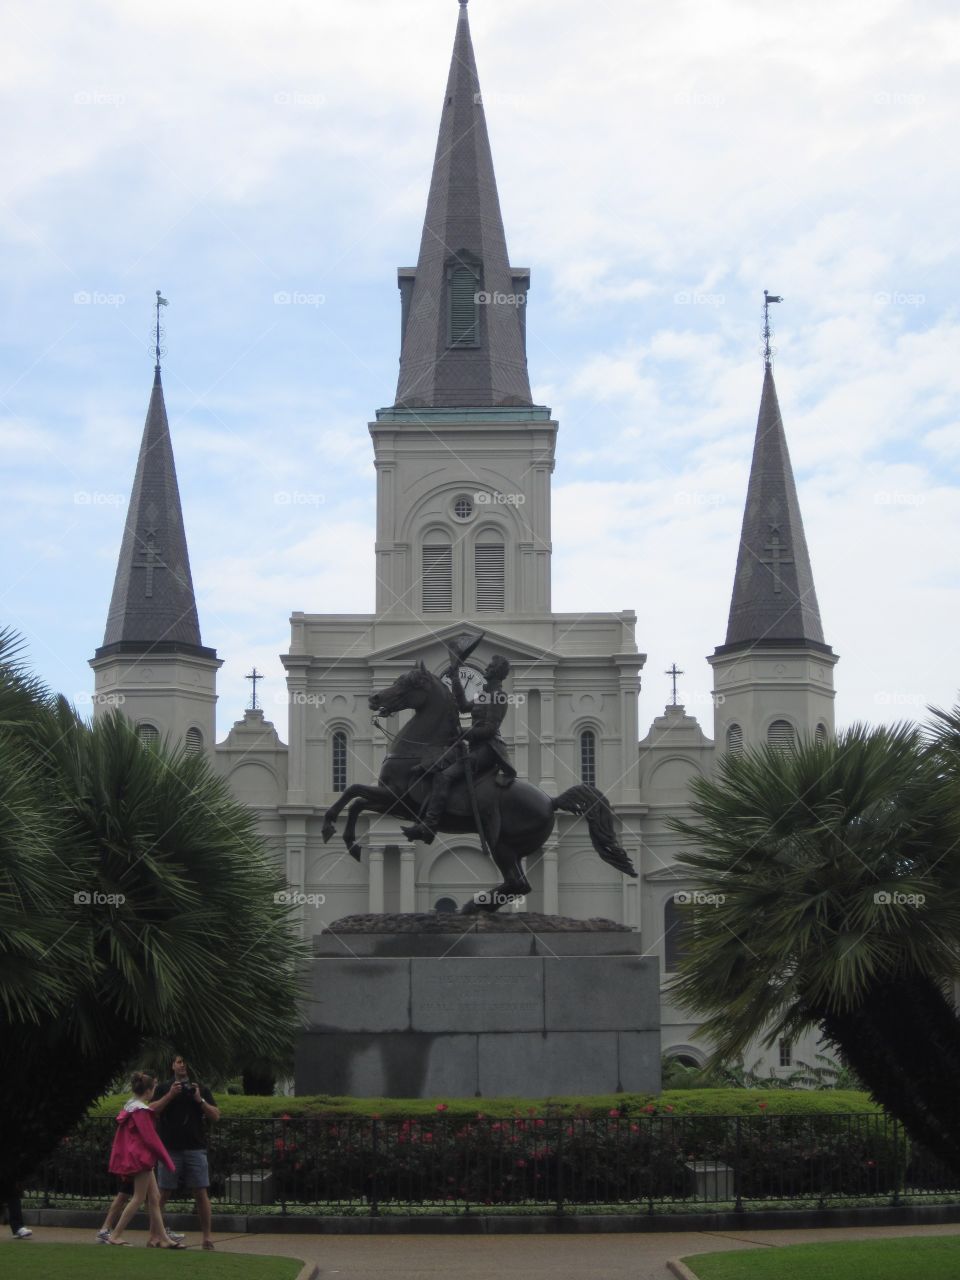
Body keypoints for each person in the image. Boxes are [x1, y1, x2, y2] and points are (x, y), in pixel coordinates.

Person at [402, 654, 517, 845]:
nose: (487, 668)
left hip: (487, 750)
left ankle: (429, 827)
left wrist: (463, 732)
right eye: (488, 665)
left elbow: (490, 729)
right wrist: (455, 676)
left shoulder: (499, 696)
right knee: (433, 766)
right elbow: (463, 706)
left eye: (491, 666)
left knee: (444, 776)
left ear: (497, 672)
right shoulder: (484, 694)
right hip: (472, 747)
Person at [106, 1071, 184, 1248]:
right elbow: (151, 1139)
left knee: (154, 1197)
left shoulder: (130, 1106)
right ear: (149, 1090)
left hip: (136, 1156)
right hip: (142, 1158)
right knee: (139, 1198)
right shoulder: (141, 1110)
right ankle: (116, 1234)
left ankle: (163, 1238)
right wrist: (168, 1161)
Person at [151, 1054, 220, 1251]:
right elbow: (151, 1110)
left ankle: (207, 1237)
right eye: (179, 1062)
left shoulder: (199, 1088)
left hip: (195, 1148)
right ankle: (154, 1235)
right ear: (173, 1065)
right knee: (163, 1193)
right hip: (169, 1149)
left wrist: (200, 1101)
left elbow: (215, 1115)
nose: (183, 1066)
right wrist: (170, 1095)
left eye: (186, 1063)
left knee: (200, 1191)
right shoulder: (164, 1088)